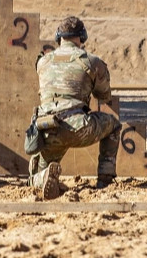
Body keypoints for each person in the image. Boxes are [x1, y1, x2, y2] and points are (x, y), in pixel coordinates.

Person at [27, 16, 122, 200]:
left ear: (58, 38)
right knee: (114, 125)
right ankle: (105, 178)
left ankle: (43, 177)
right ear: (82, 37)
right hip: (78, 127)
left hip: (46, 129)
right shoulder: (91, 62)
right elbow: (104, 96)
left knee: (36, 174)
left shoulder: (42, 62)